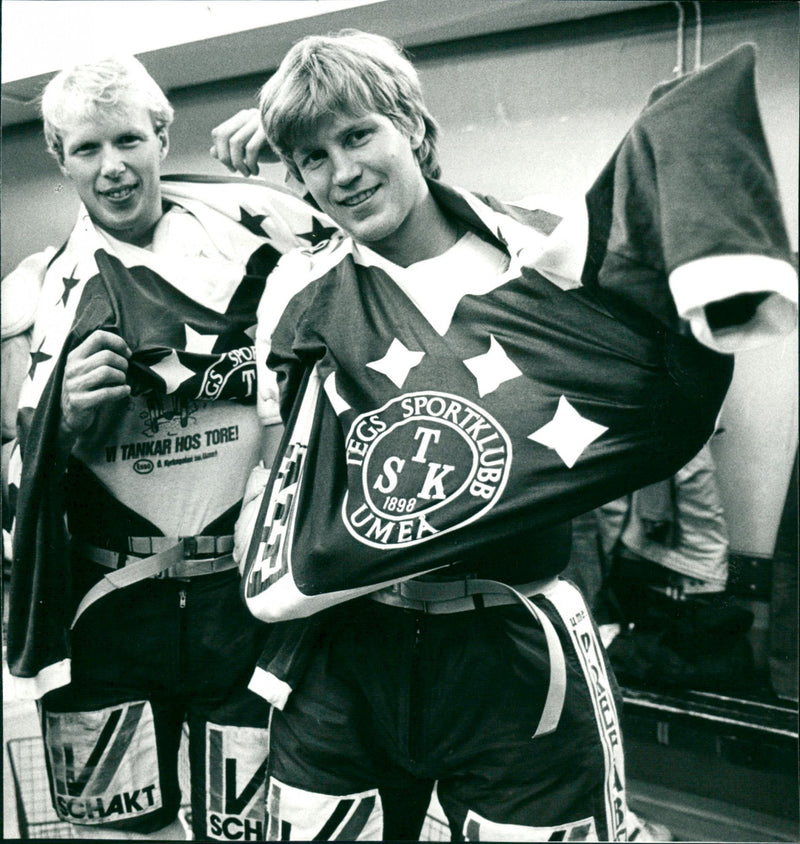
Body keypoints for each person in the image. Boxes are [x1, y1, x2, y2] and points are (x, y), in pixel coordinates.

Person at [211, 32, 797, 841]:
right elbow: (291, 473)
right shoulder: (299, 290)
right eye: (312, 158)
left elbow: (650, 374)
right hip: (348, 637)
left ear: (413, 127)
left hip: (512, 639)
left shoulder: (538, 257)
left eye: (358, 135)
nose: (341, 172)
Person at [6, 55, 332, 840]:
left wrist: (299, 144)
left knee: (251, 830)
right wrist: (61, 425)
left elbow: (384, 224)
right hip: (107, 606)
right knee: (119, 831)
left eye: (128, 141)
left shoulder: (264, 248)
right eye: (87, 149)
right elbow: (11, 482)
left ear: (162, 135)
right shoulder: (32, 298)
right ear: (59, 157)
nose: (112, 169)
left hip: (242, 598)